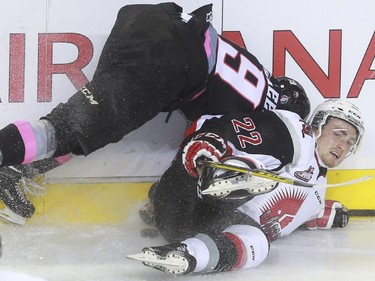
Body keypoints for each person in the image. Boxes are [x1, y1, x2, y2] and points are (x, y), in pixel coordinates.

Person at [0, 3, 310, 224]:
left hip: (150, 19)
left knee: (93, 127)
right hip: (169, 57)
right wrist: (162, 196)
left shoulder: (259, 75)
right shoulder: (261, 117)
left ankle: (14, 171)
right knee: (70, 127)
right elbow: (200, 141)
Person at [128, 98, 364, 276]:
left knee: (258, 243)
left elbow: (300, 214)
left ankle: (188, 254)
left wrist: (327, 214)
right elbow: (232, 128)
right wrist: (210, 143)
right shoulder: (298, 136)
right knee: (258, 170)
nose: (342, 144)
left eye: (350, 142)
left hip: (195, 227)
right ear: (318, 126)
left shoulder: (317, 194)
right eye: (339, 133)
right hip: (187, 193)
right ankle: (220, 177)